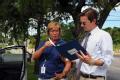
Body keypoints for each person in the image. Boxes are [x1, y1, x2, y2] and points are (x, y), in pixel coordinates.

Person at [74, 8, 113, 80]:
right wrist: (68, 57)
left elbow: (108, 60)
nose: (82, 25)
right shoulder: (85, 37)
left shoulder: (104, 35)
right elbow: (82, 58)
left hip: (94, 78)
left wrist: (93, 62)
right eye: (81, 23)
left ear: (94, 21)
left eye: (84, 23)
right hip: (81, 76)